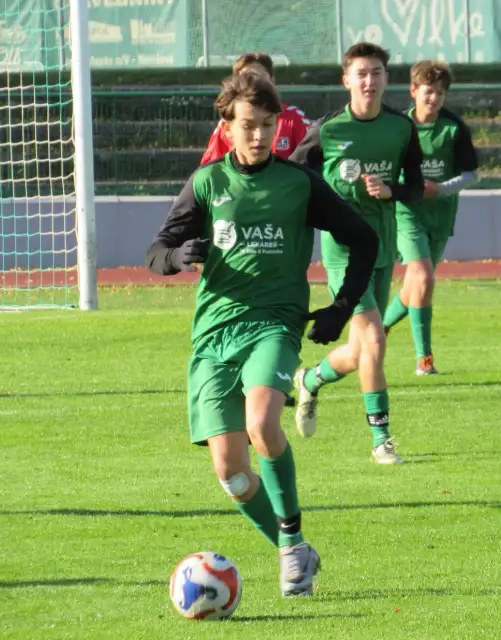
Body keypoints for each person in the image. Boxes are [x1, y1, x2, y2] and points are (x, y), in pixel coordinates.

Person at [145, 72, 378, 597]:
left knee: (261, 421)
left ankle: (292, 545)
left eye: (267, 126)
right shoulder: (206, 183)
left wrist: (342, 307)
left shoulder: (298, 184)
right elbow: (157, 250)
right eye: (248, 126)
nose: (258, 136)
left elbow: (360, 237)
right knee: (230, 473)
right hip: (214, 335)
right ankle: (294, 550)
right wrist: (179, 257)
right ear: (226, 127)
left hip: (273, 322)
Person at [289, 42, 425, 465]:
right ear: (346, 80)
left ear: (387, 79)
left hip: (382, 248)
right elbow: (294, 176)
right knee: (375, 341)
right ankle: (381, 439)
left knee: (360, 350)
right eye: (361, 73)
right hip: (342, 251)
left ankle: (310, 379)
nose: (369, 81)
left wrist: (392, 191)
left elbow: (416, 187)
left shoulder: (401, 128)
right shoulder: (328, 130)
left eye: (377, 73)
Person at [382, 60, 480, 375]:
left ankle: (379, 327)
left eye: (439, 93)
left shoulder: (453, 128)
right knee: (423, 277)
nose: (433, 98)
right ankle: (425, 359)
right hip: (408, 213)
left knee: (415, 286)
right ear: (413, 91)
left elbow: (471, 174)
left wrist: (441, 189)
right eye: (427, 91)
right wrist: (400, 191)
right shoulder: (398, 128)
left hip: (440, 216)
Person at [200, 52, 310, 165]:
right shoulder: (229, 124)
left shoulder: (293, 118)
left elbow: (311, 163)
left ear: (272, 81)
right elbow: (209, 167)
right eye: (247, 126)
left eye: (267, 124)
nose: (254, 84)